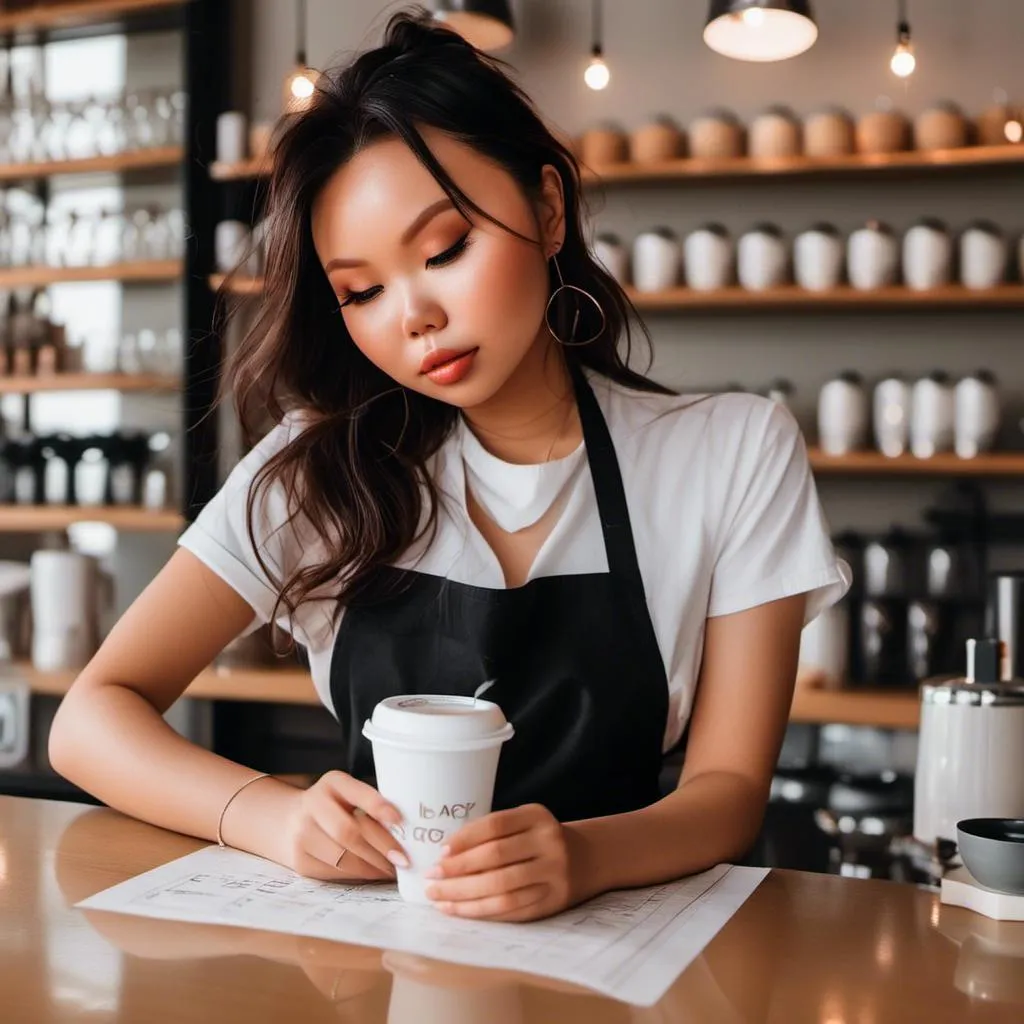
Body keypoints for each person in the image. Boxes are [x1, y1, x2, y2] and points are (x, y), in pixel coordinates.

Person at [49, 8, 850, 924]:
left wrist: (583, 855)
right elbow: (89, 720)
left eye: (445, 249)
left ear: (547, 209)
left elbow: (729, 791)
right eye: (361, 291)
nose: (414, 316)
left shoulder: (732, 451)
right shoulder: (321, 469)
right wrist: (266, 815)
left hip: (617, 956)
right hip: (367, 950)